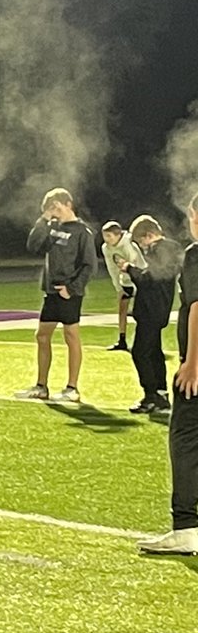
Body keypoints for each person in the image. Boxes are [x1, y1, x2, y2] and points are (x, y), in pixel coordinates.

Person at [139, 192, 198, 554]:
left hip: (197, 366)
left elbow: (197, 308)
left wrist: (192, 362)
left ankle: (186, 525)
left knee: (185, 439)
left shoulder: (195, 254)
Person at [16, 188, 97, 403]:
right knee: (42, 335)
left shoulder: (82, 232)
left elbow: (90, 266)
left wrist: (72, 288)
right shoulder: (51, 229)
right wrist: (44, 219)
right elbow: (33, 246)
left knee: (71, 337)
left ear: (67, 204)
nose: (54, 212)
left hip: (69, 292)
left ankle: (72, 388)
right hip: (51, 291)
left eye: (56, 207)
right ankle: (41, 386)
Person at [121, 215, 182, 414]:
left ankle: (150, 395)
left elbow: (152, 278)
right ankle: (161, 394)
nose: (142, 246)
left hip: (152, 309)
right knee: (154, 352)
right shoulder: (170, 249)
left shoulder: (162, 250)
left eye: (141, 241)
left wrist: (130, 269)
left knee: (140, 352)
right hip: (158, 308)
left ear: (149, 235)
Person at [100, 221, 144, 352]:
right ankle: (122, 339)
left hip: (139, 281)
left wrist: (135, 283)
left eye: (109, 236)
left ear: (118, 235)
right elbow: (112, 267)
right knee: (122, 310)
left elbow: (135, 263)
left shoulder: (128, 244)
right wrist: (118, 286)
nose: (106, 239)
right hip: (124, 282)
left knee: (141, 313)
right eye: (105, 236)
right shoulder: (106, 248)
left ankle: (143, 342)